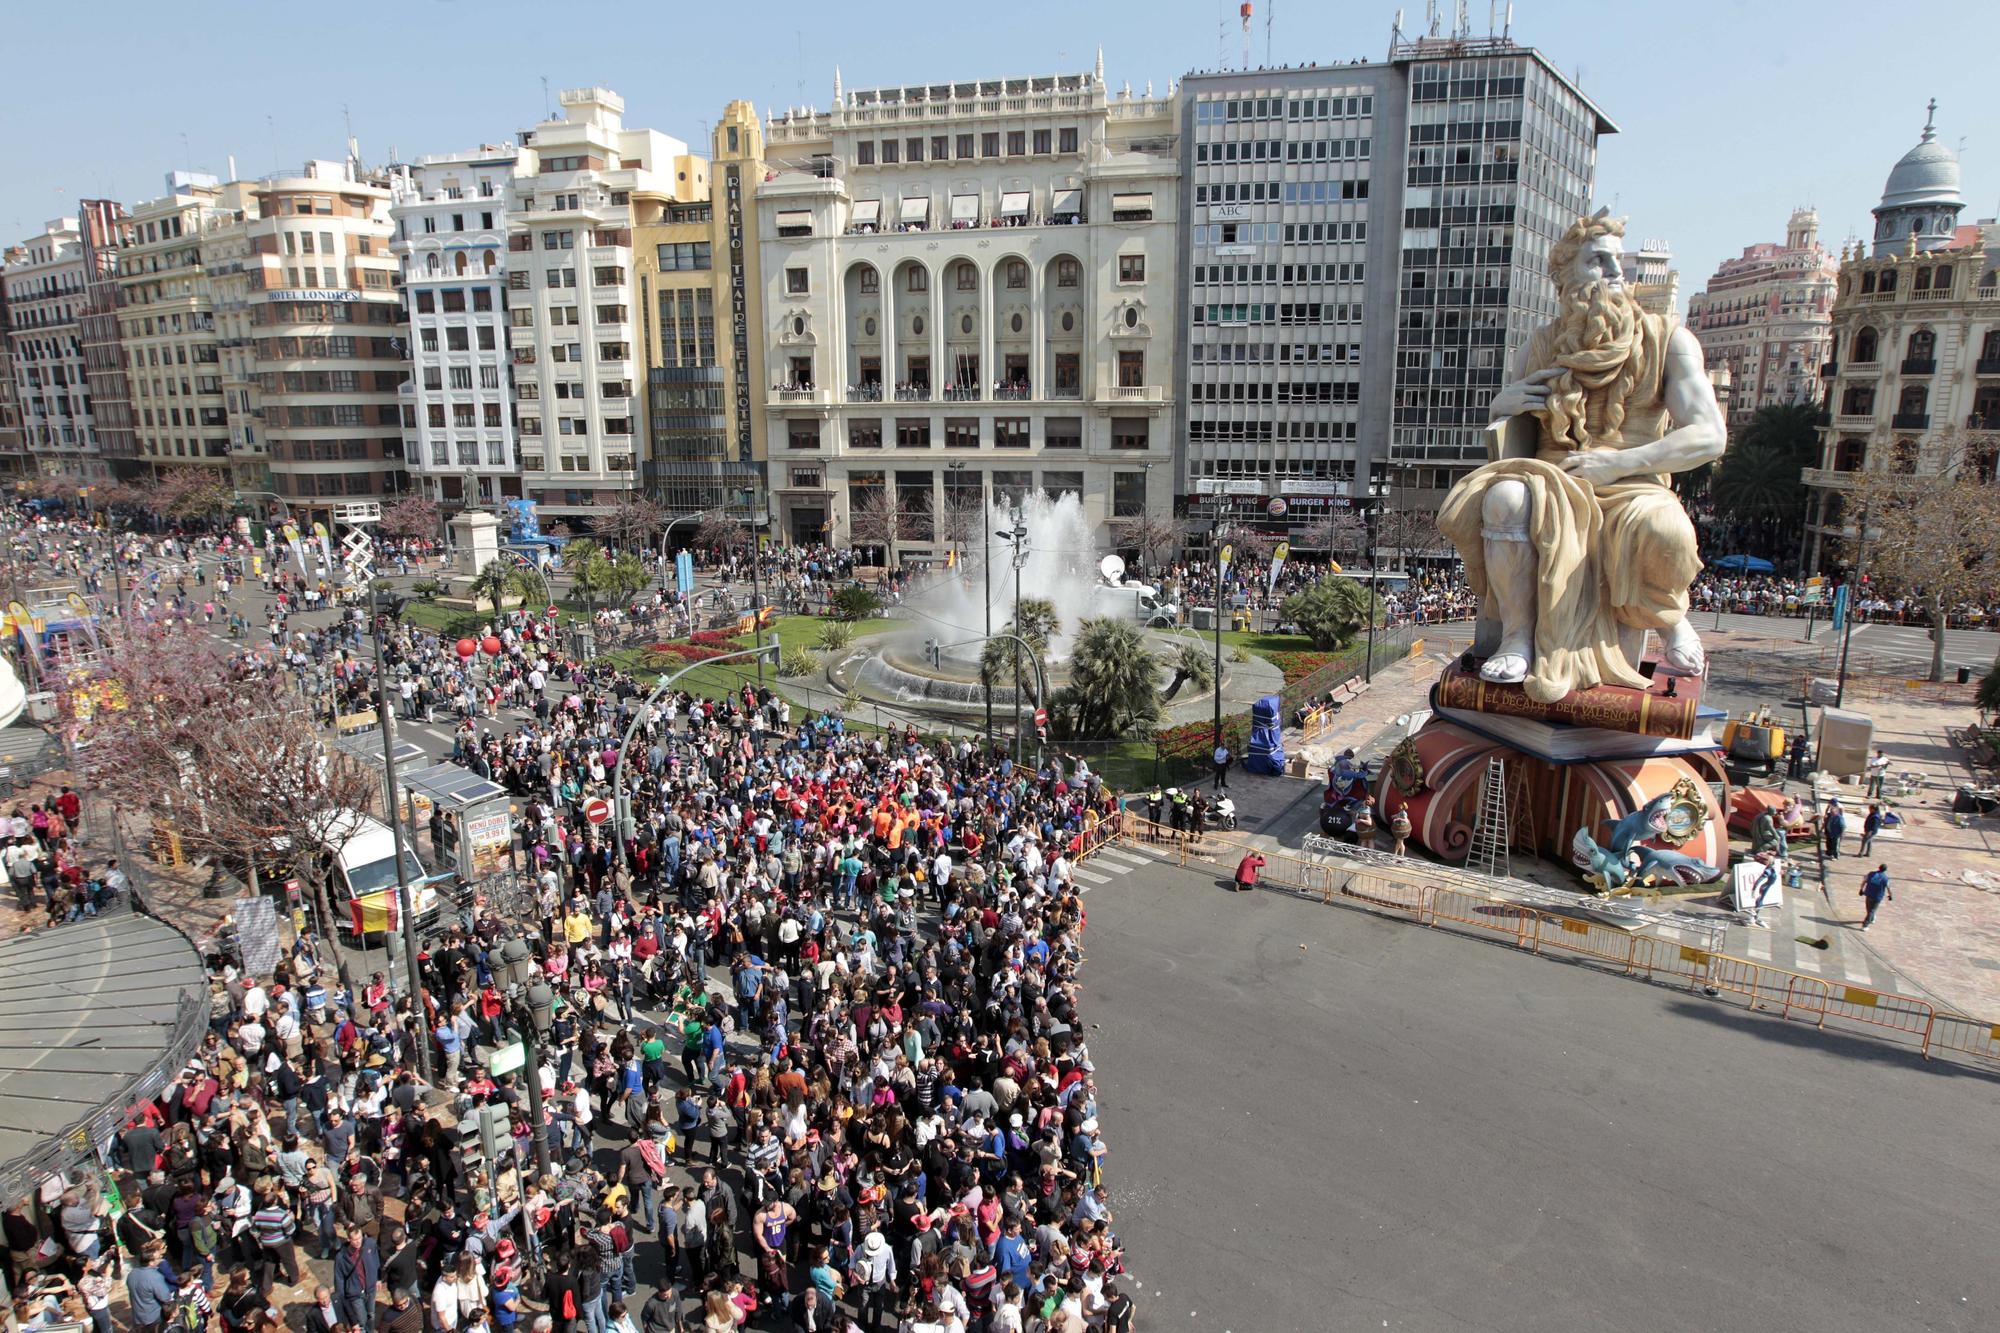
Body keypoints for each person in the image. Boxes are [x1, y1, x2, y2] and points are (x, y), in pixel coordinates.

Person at [1436, 210, 1725, 699]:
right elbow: (1516, 425)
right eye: (1598, 261)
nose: (1614, 272)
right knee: (1504, 499)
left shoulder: (1668, 339)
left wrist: (1620, 463)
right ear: (1566, 276)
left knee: (1666, 527)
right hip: (1550, 476)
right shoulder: (1543, 343)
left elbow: (1709, 435)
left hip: (1633, 481)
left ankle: (1669, 618)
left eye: (1618, 261)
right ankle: (1518, 636)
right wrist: (1500, 405)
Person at [1860, 864, 1892, 930]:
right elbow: (1888, 888)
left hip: (1869, 894)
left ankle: (1869, 920)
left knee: (1869, 909)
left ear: (1879, 868)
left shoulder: (1871, 874)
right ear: (1885, 870)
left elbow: (1864, 881)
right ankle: (1866, 924)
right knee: (1871, 910)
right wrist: (1890, 895)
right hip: (1877, 896)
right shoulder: (1885, 878)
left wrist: (1861, 889)